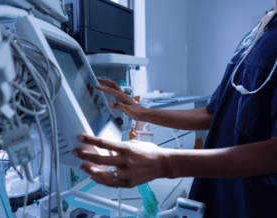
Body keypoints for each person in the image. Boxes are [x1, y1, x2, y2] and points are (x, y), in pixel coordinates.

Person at [71, 2, 277, 217]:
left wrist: (166, 163)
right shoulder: (261, 28)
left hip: (259, 202)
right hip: (224, 196)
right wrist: (142, 112)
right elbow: (213, 114)